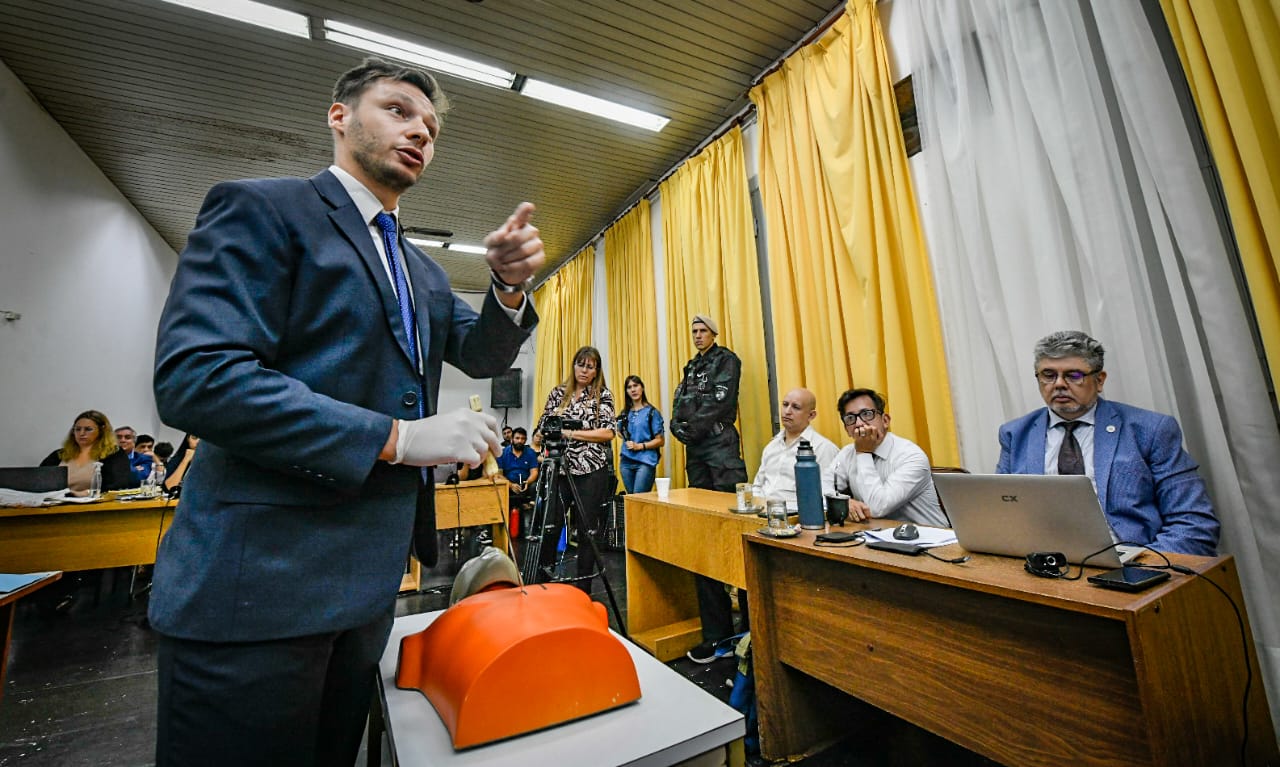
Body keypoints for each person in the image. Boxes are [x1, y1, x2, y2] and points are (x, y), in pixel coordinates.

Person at [149, 58, 541, 767]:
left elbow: (482, 351)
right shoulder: (263, 210)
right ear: (339, 116)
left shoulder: (418, 269)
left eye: (430, 125)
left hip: (366, 591)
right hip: (256, 593)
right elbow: (198, 377)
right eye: (398, 109)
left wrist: (507, 289)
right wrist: (397, 436)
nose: (420, 130)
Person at [997, 331, 1218, 555]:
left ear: (1099, 380)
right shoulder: (1015, 434)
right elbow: (1003, 516)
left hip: (1130, 561)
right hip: (1042, 566)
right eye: (1048, 375)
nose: (1059, 384)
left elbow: (1193, 523)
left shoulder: (1151, 430)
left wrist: (1142, 564)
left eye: (1073, 375)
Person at [670, 315, 749, 663]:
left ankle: (750, 632)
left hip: (719, 447)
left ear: (714, 333)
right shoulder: (691, 365)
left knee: (735, 533)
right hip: (696, 451)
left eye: (703, 331)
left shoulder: (726, 360)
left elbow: (720, 400)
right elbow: (680, 401)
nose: (698, 336)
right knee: (704, 536)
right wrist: (676, 427)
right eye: (694, 332)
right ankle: (716, 635)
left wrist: (694, 428)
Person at [533, 346, 616, 592]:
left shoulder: (603, 395)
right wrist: (541, 435)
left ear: (596, 371)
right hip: (559, 470)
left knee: (587, 530)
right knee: (550, 526)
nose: (584, 370)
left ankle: (583, 589)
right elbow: (541, 429)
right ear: (574, 365)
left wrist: (570, 433)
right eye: (580, 364)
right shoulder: (558, 393)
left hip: (591, 470)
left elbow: (609, 432)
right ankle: (543, 584)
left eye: (590, 366)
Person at [829, 388, 947, 527]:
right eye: (850, 418)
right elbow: (819, 489)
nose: (859, 423)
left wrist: (864, 453)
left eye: (867, 414)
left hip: (929, 540)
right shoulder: (847, 454)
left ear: (885, 420)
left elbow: (877, 508)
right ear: (846, 429)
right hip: (877, 537)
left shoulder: (911, 455)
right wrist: (842, 502)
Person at [751, 387, 839, 505]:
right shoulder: (771, 446)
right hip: (763, 513)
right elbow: (757, 486)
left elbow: (826, 496)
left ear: (811, 415)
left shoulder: (823, 448)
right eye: (785, 404)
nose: (787, 411)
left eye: (796, 407)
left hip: (797, 517)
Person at [40, 410, 133, 495]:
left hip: (95, 507)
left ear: (101, 430)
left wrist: (86, 493)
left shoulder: (113, 454)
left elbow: (119, 485)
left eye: (88, 429)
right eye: (77, 429)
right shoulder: (58, 455)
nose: (82, 433)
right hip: (56, 506)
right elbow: (39, 481)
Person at [617, 374, 664, 494]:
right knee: (631, 500)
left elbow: (660, 440)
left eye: (636, 385)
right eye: (629, 387)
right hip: (626, 461)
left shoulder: (652, 412)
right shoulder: (624, 413)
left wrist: (640, 446)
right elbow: (619, 432)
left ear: (642, 388)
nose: (633, 389)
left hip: (645, 461)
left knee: (639, 499)